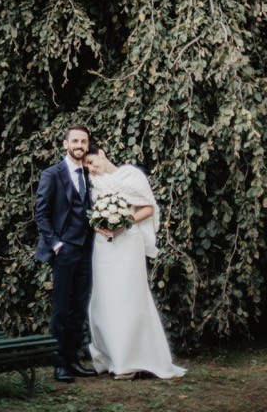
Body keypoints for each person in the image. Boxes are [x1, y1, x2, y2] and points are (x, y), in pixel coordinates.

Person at [84, 144, 186, 380]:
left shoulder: (131, 175)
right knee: (105, 299)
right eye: (86, 166)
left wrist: (124, 221)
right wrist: (100, 224)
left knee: (130, 296)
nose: (91, 168)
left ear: (102, 153)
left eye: (91, 162)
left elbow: (148, 208)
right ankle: (112, 357)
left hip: (128, 242)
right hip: (104, 246)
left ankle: (131, 360)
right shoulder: (95, 185)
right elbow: (93, 213)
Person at [34, 125, 97, 384]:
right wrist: (56, 244)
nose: (79, 144)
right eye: (75, 140)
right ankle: (59, 364)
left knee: (79, 308)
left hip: (87, 250)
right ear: (65, 144)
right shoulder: (52, 174)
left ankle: (73, 360)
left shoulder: (91, 173)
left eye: (83, 141)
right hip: (65, 250)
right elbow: (41, 213)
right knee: (61, 308)